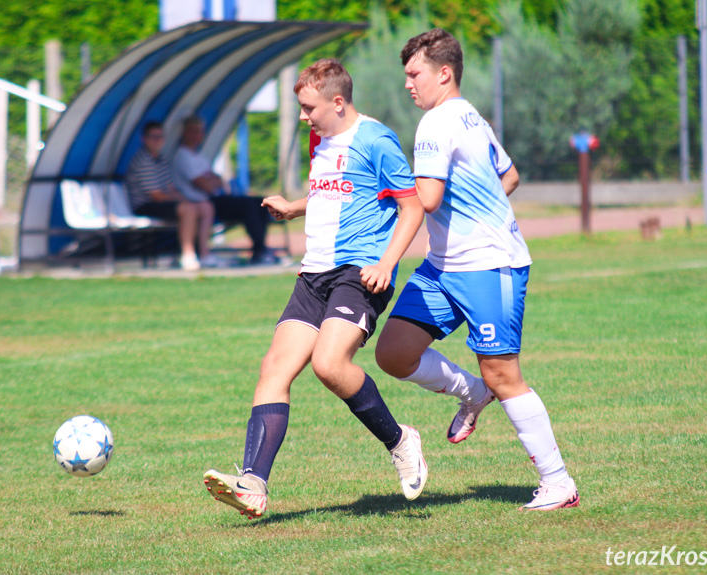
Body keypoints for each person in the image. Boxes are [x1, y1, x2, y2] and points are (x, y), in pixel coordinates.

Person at [202, 58, 427, 519]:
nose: (304, 116)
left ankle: (401, 441)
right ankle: (252, 483)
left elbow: (412, 206)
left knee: (328, 365)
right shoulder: (318, 137)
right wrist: (294, 207)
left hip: (361, 271)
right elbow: (338, 191)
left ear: (338, 102)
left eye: (309, 108)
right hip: (314, 273)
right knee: (274, 368)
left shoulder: (376, 139)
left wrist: (387, 262)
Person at [374, 29, 579, 512]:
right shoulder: (471, 117)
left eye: (414, 73)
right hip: (444, 267)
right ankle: (473, 393)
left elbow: (425, 200)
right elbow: (509, 175)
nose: (408, 84)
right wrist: (479, 210)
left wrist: (374, 189)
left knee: (505, 373)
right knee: (394, 353)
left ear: (443, 73)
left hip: (490, 266)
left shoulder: (436, 123)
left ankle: (558, 482)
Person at [173, 116, 276, 266]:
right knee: (248, 206)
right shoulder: (183, 156)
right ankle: (260, 250)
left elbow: (217, 180)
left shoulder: (198, 156)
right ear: (185, 133)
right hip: (202, 201)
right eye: (193, 131)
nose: (197, 135)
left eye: (200, 132)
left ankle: (261, 249)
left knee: (259, 202)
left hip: (213, 199)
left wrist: (212, 180)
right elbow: (205, 185)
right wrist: (211, 180)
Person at [125, 121, 211, 271]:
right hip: (144, 206)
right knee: (188, 209)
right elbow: (156, 196)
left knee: (205, 206)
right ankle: (188, 254)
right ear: (144, 139)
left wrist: (185, 199)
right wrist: (184, 202)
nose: (157, 140)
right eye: (153, 137)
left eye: (160, 136)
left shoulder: (161, 159)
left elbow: (170, 189)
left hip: (160, 203)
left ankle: (204, 253)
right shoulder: (143, 161)